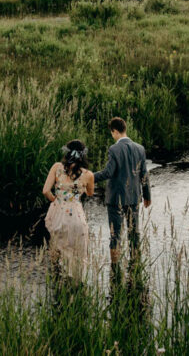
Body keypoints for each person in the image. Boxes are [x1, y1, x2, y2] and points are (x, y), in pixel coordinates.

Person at [94, 117, 151, 267]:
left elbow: (108, 172)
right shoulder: (140, 148)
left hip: (116, 200)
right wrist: (147, 195)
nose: (112, 135)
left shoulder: (114, 149)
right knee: (134, 234)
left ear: (115, 131)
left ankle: (115, 268)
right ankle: (135, 265)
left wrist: (89, 177)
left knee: (115, 235)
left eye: (112, 133)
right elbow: (144, 174)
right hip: (134, 198)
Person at [43, 139, 95, 276]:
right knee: (78, 252)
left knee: (56, 249)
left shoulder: (56, 167)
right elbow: (90, 193)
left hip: (59, 214)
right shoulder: (88, 175)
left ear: (66, 153)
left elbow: (45, 191)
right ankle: (76, 285)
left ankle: (57, 280)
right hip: (77, 216)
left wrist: (56, 201)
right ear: (83, 156)